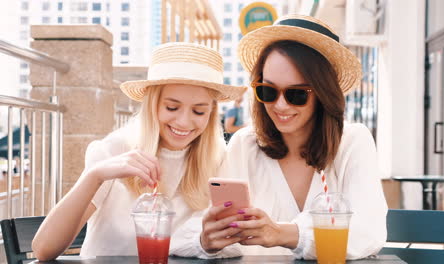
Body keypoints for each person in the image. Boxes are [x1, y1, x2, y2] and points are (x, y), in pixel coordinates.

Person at [31, 42, 246, 260]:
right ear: (152, 104)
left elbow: (235, 243)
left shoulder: (218, 158)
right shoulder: (115, 149)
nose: (184, 122)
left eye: (199, 111)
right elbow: (44, 249)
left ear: (211, 112)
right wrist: (94, 175)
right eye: (172, 107)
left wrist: (206, 242)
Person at [198, 14, 388, 260]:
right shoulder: (244, 145)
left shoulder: (352, 142)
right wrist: (209, 241)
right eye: (268, 91)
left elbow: (369, 233)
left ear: (322, 93)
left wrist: (282, 233)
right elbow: (228, 244)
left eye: (296, 94)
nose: (280, 106)